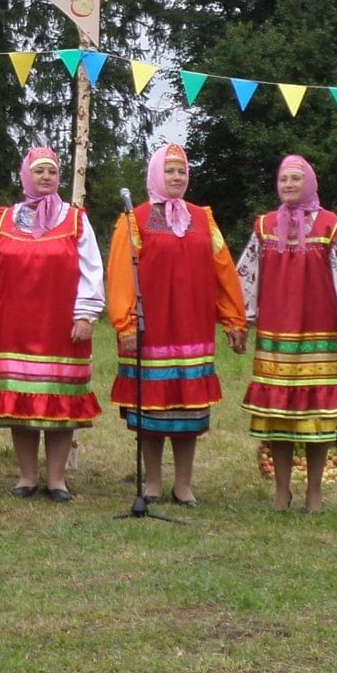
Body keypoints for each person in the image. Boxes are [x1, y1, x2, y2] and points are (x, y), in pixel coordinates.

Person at [106, 144, 247, 506]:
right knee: (150, 412)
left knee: (189, 414)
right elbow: (121, 273)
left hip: (192, 327)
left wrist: (233, 316)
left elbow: (224, 270)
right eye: (169, 171)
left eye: (181, 171)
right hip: (151, 329)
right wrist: (125, 324)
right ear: (155, 174)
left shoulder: (203, 219)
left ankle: (183, 484)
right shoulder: (133, 219)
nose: (176, 177)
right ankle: (152, 482)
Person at [237, 155, 337, 514]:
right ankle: (282, 491)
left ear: (309, 183)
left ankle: (314, 492)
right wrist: (241, 318)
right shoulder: (265, 227)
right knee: (279, 416)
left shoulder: (331, 227)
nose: (290, 185)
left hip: (321, 331)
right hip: (277, 333)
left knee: (318, 415)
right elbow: (248, 274)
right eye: (284, 180)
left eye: (297, 179)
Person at [0, 145, 105, 502]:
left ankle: (57, 479)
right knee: (22, 403)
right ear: (26, 176)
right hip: (16, 324)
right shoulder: (4, 219)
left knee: (60, 401)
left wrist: (85, 314)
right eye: (39, 171)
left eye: (52, 171)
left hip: (61, 325)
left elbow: (91, 268)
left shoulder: (75, 218)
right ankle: (27, 476)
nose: (46, 177)